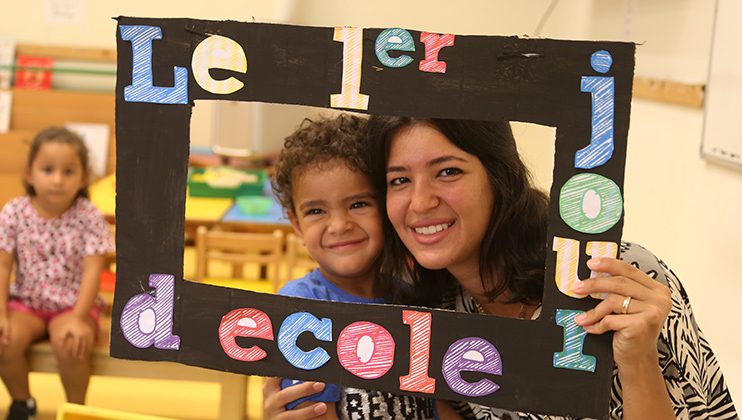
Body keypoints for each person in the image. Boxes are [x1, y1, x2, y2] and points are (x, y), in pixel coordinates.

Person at [362, 116, 737, 419]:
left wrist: (638, 364)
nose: (421, 201)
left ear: (500, 175)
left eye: (448, 172)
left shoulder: (621, 281)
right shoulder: (438, 310)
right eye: (400, 180)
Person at [264, 114, 439, 420]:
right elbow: (315, 412)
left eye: (358, 204)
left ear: (386, 207)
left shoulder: (415, 298)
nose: (339, 225)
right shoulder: (303, 307)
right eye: (316, 211)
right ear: (297, 224)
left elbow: (439, 404)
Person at [0, 127, 114, 420]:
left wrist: (79, 317)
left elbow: (93, 271)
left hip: (72, 306)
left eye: (68, 171)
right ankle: (21, 403)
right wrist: (1, 315)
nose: (57, 180)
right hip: (28, 305)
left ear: (84, 177)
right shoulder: (14, 212)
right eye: (47, 169)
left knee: (70, 343)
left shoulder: (88, 215)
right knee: (4, 339)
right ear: (29, 173)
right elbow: (3, 267)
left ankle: (76, 409)